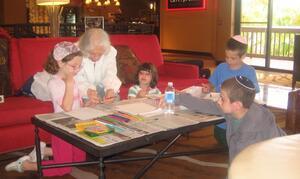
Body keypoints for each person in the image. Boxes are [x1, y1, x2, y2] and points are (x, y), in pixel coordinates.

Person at [5, 41, 93, 176]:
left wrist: (87, 104)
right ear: (60, 63)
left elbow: (76, 104)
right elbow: (67, 108)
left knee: (80, 159)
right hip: (62, 128)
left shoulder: (72, 79)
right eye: (73, 66)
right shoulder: (54, 83)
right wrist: (69, 83)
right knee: (64, 168)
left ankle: (45, 151)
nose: (77, 70)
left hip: (76, 125)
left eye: (79, 66)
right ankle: (25, 164)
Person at [174, 76, 286, 163]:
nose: (218, 101)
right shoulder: (239, 109)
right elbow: (207, 105)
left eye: (222, 98)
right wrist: (177, 98)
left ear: (237, 105)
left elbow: (242, 170)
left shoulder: (248, 139)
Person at [76, 28, 121, 104]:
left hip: (102, 88)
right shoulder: (75, 52)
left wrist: (110, 89)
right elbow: (76, 77)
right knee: (90, 106)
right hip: (82, 90)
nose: (96, 58)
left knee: (114, 102)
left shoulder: (109, 51)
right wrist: (87, 90)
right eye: (92, 53)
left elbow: (110, 72)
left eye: (100, 54)